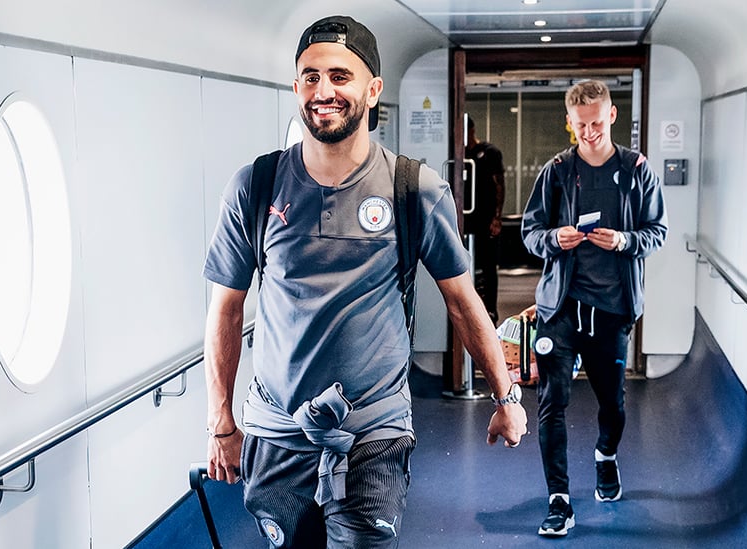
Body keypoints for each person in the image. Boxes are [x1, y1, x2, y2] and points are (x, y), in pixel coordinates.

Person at [202, 15, 528, 548]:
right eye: (310, 77)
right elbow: (226, 311)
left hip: (372, 432)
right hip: (278, 434)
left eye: (339, 76)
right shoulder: (256, 186)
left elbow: (463, 303)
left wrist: (504, 394)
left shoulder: (413, 190)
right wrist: (221, 424)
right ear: (295, 87)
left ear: (373, 90)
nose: (323, 91)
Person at [520, 79, 667, 537]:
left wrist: (625, 241)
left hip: (611, 309)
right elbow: (530, 232)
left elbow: (656, 231)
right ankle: (559, 500)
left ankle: (606, 455)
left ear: (612, 117)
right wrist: (552, 240)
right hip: (561, 308)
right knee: (552, 403)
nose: (589, 132)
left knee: (613, 405)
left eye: (597, 123)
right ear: (570, 122)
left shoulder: (637, 170)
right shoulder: (557, 171)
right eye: (581, 125)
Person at [464, 116, 506, 324]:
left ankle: (490, 312)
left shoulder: (489, 153)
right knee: (467, 267)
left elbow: (499, 185)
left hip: (485, 219)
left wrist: (497, 218)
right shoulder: (458, 153)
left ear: (471, 129)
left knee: (488, 268)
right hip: (465, 222)